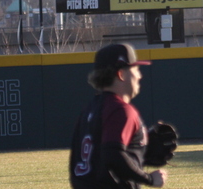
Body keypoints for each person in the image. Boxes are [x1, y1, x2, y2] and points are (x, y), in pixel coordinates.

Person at [69, 43, 168, 188]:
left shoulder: (89, 110)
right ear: (121, 74)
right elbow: (113, 155)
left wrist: (138, 153)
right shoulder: (121, 110)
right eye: (135, 69)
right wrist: (149, 178)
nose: (139, 76)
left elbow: (88, 163)